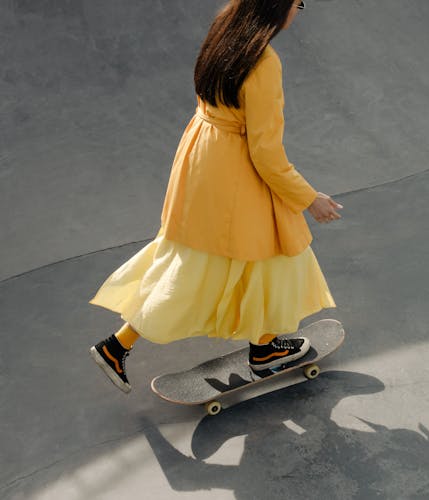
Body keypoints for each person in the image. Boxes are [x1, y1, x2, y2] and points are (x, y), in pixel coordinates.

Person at [89, 0, 342, 394]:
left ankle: (262, 347)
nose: (299, 10)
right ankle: (118, 347)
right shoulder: (264, 60)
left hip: (203, 153)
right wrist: (310, 199)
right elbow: (267, 154)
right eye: (298, 3)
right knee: (261, 253)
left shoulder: (226, 29)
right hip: (235, 170)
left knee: (205, 258)